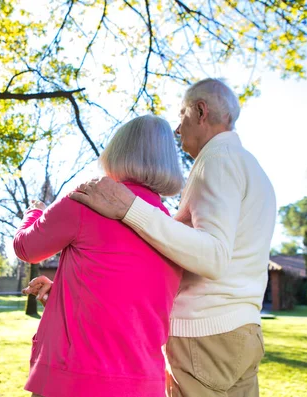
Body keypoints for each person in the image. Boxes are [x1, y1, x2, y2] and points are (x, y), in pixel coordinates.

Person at [59, 78, 276, 397]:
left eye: (182, 115)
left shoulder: (215, 160)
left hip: (207, 337)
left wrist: (129, 208)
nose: (177, 129)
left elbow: (213, 256)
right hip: (245, 333)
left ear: (201, 112)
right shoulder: (254, 169)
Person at [14, 115, 185, 397]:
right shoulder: (170, 227)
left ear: (117, 152)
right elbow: (127, 296)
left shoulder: (85, 201)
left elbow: (26, 248)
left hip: (76, 381)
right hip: (142, 383)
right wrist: (61, 295)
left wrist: (34, 211)